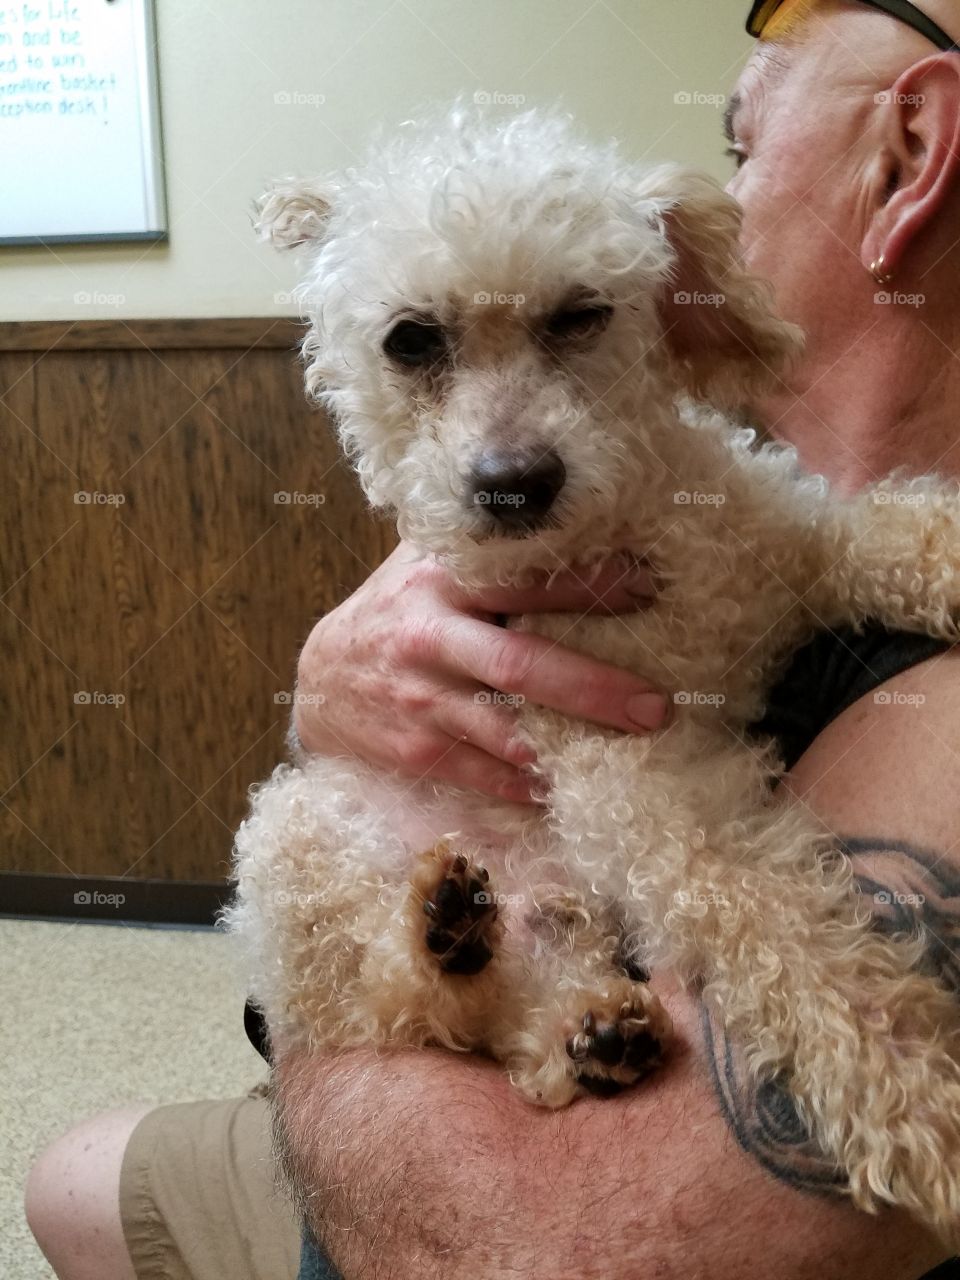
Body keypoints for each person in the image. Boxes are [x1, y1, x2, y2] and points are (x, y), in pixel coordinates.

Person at [24, 1, 960, 1276]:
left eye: (576, 323)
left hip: (446, 1172)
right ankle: (497, 997)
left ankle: (554, 1010)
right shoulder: (703, 478)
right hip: (396, 990)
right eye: (420, 347)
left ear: (914, 148)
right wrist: (323, 701)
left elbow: (531, 1233)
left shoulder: (753, 526)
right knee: (67, 1167)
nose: (503, 445)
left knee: (84, 1172)